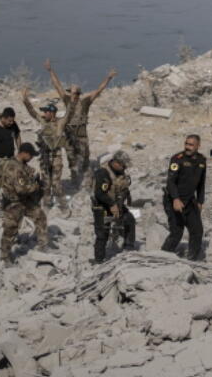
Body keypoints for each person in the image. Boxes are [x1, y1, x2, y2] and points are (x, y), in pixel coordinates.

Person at [44, 59, 115, 188]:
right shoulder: (66, 100)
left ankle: (87, 182)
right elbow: (57, 86)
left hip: (82, 137)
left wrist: (108, 78)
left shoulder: (84, 103)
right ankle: (75, 180)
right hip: (70, 136)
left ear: (76, 94)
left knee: (85, 161)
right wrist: (50, 70)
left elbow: (98, 90)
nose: (69, 94)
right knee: (72, 159)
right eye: (69, 92)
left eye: (71, 92)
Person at [0, 142, 48, 264]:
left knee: (40, 217)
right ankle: (5, 256)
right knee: (11, 230)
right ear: (24, 153)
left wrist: (33, 175)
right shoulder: (15, 168)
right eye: (30, 155)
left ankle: (44, 246)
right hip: (14, 204)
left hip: (25, 201)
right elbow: (22, 189)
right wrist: (36, 186)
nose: (32, 158)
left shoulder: (20, 164)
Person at [21, 89, 69, 212]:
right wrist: (26, 101)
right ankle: (47, 204)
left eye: (46, 112)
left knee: (56, 184)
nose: (44, 114)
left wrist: (71, 100)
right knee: (46, 183)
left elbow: (69, 114)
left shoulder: (59, 123)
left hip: (56, 157)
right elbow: (33, 113)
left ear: (52, 113)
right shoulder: (43, 121)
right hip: (44, 156)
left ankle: (63, 206)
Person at [161, 134, 206, 259]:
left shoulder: (202, 160)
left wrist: (200, 201)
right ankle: (162, 257)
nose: (187, 147)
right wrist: (175, 199)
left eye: (191, 145)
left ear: (198, 146)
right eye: (186, 144)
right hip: (173, 200)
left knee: (197, 230)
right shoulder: (177, 159)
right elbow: (170, 182)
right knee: (177, 232)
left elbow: (201, 183)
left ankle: (192, 259)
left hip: (190, 201)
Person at [91, 150, 135, 263]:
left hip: (117, 204)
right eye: (123, 165)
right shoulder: (102, 173)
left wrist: (127, 199)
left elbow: (123, 187)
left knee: (129, 219)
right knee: (102, 234)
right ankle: (99, 260)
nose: (125, 168)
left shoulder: (120, 173)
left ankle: (128, 248)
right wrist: (112, 204)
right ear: (116, 163)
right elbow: (99, 193)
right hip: (102, 206)